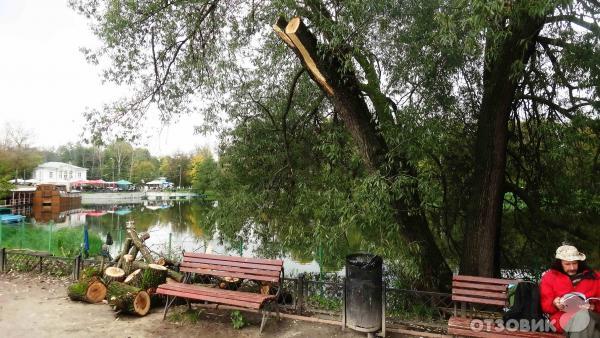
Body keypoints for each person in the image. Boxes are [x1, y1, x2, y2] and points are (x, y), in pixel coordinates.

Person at [540, 244, 600, 337]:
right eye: (567, 264)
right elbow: (545, 306)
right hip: (563, 319)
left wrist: (593, 307)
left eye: (575, 263)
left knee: (582, 315)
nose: (572, 268)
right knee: (591, 330)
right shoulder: (549, 277)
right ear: (559, 263)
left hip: (594, 316)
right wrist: (555, 303)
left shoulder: (595, 277)